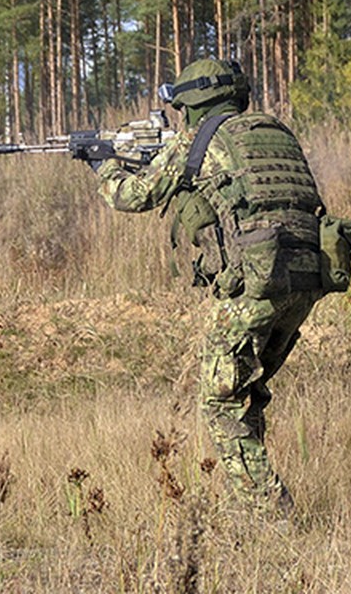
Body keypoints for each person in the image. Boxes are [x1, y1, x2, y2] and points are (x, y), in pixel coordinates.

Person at [95, 58, 334, 514]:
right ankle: (248, 498)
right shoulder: (274, 131)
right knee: (248, 393)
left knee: (221, 403)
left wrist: (105, 167)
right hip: (305, 277)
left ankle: (272, 514)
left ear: (191, 103)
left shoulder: (197, 140)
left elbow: (132, 196)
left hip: (254, 284)